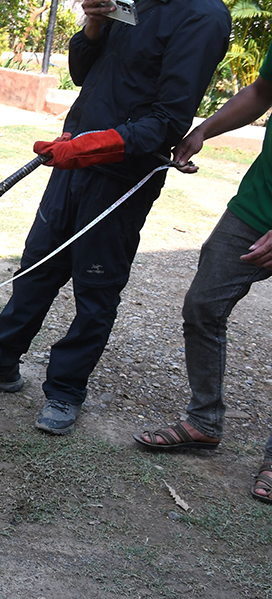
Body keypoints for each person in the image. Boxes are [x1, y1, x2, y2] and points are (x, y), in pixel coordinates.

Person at [0, 0, 232, 436]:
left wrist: (89, 148)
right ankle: (0, 363)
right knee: (36, 266)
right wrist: (93, 26)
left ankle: (66, 389)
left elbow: (167, 121)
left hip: (121, 176)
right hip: (73, 160)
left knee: (96, 287)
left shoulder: (204, 17)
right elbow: (82, 73)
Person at [133, 43, 272, 505]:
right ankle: (204, 421)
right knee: (203, 305)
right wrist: (204, 130)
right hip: (256, 206)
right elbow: (262, 91)